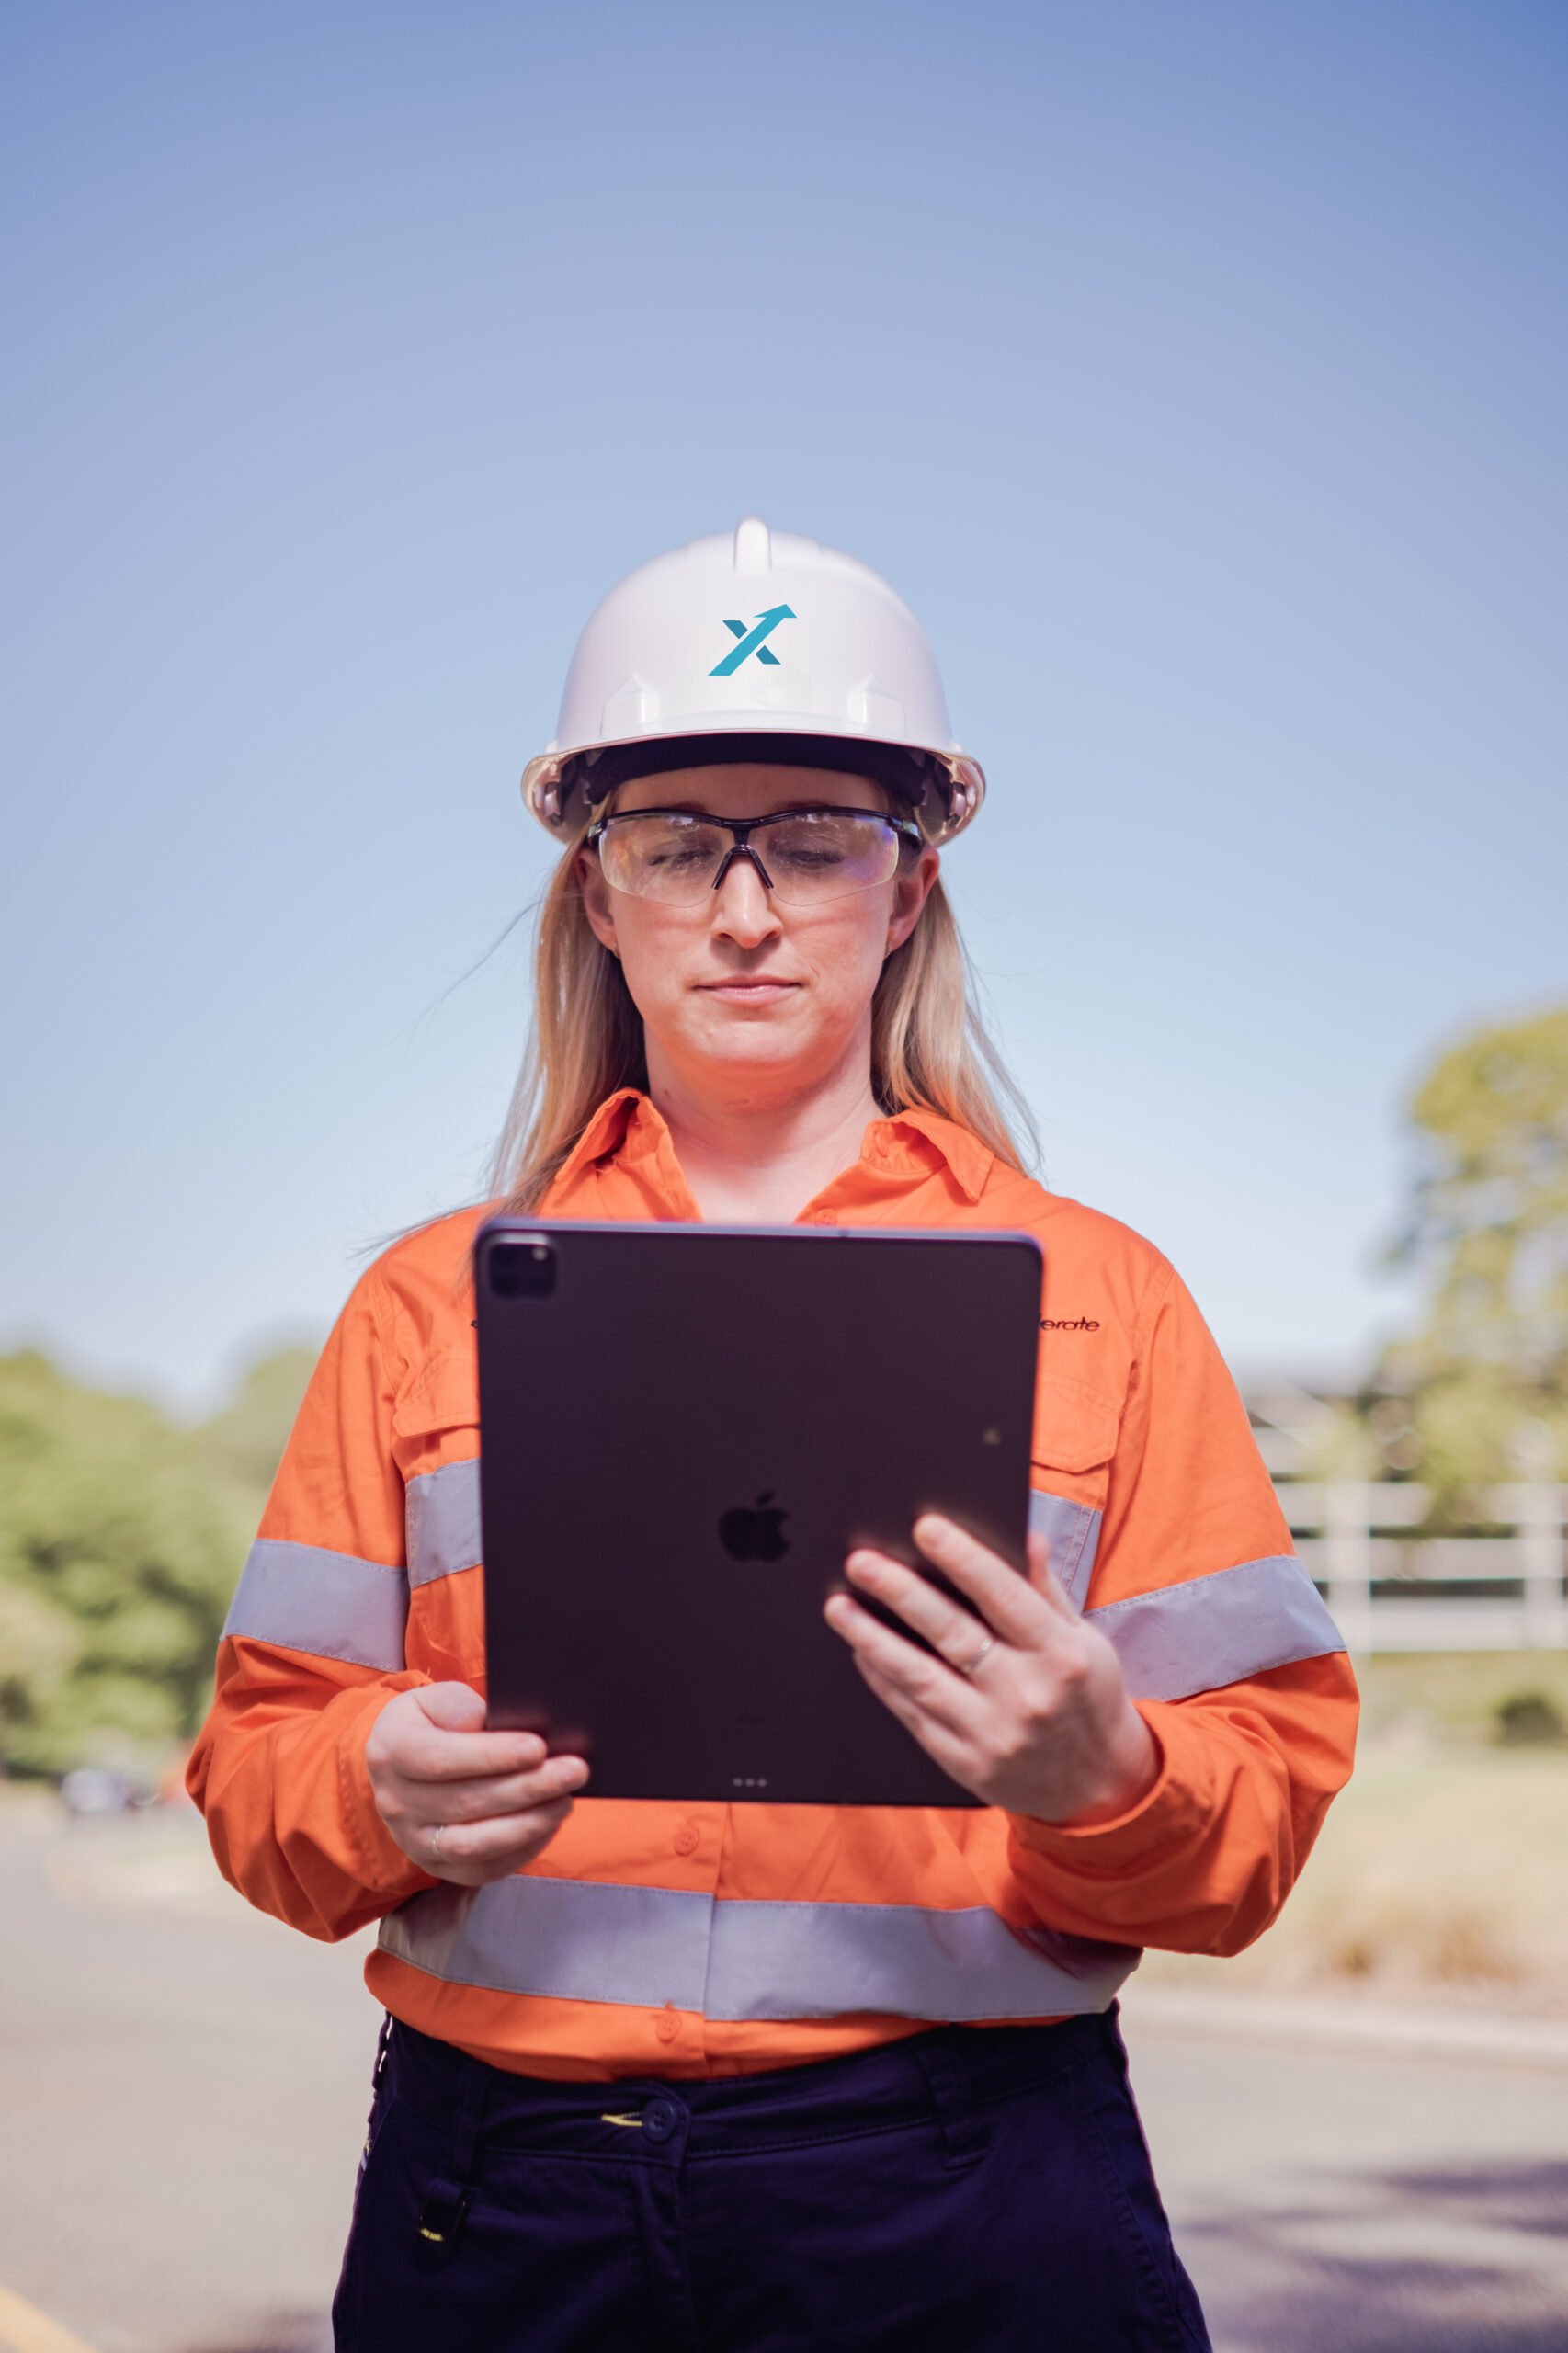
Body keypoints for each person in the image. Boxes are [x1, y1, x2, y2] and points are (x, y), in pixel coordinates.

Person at [187, 519, 1358, 2352]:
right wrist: (367, 1788)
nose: (745, 909)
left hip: (963, 2194)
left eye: (814, 843)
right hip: (503, 2205)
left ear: (906, 890)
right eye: (677, 845)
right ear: (597, 889)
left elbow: (1258, 1810)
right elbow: (261, 1777)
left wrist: (1106, 1772)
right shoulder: (425, 1307)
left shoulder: (1104, 1297)